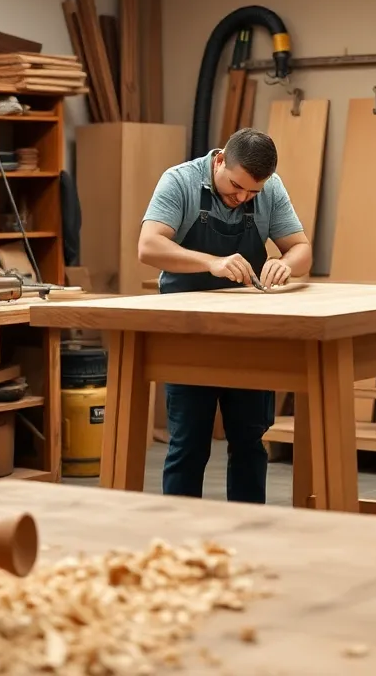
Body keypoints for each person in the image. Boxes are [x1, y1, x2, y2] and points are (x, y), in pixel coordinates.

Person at [138, 128, 312, 504]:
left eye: (253, 192)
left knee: (250, 440)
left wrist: (286, 264)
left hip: (248, 330)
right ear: (219, 161)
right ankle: (179, 544)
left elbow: (301, 248)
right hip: (189, 329)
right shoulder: (180, 181)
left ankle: (248, 533)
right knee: (189, 443)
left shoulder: (270, 188)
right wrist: (212, 263)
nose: (242, 198)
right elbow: (149, 246)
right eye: (236, 187)